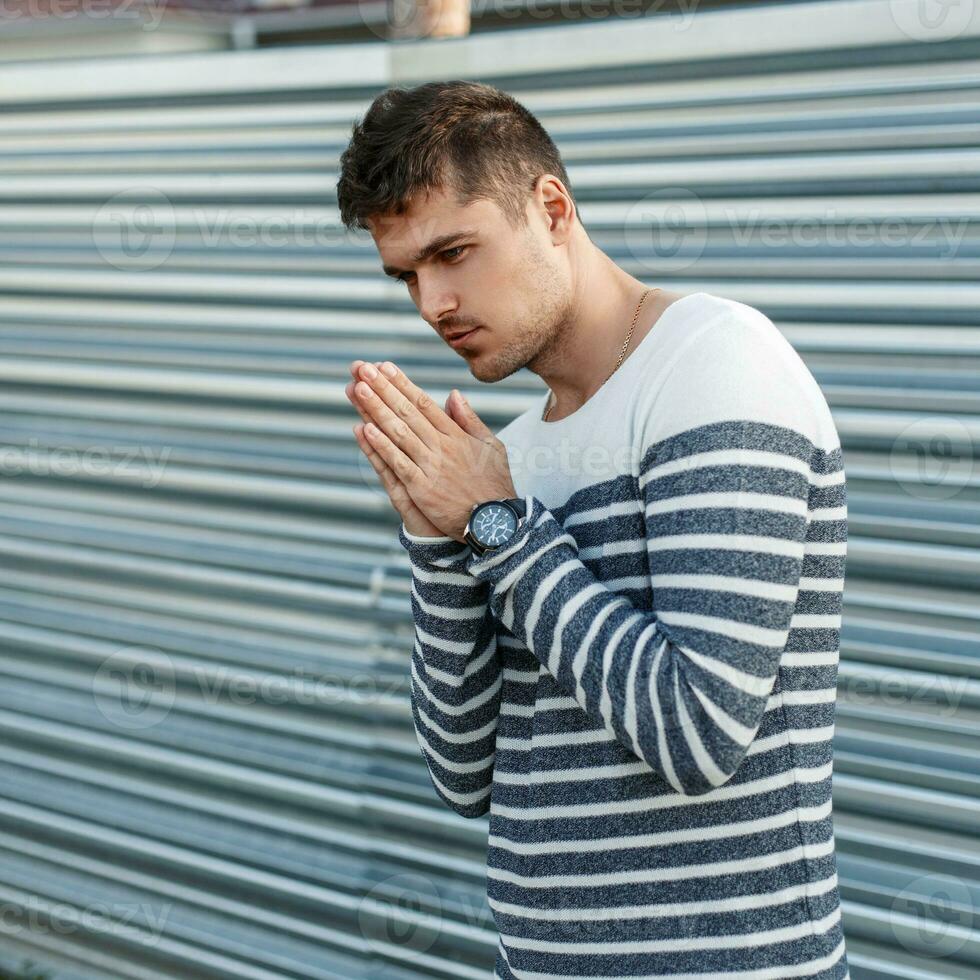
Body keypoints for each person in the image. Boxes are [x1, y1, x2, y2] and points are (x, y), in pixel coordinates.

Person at [338, 79, 849, 980]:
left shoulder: (712, 364)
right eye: (408, 273)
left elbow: (699, 733)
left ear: (552, 208)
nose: (432, 303)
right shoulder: (512, 450)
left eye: (454, 252)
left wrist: (497, 527)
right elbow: (465, 775)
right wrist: (439, 544)